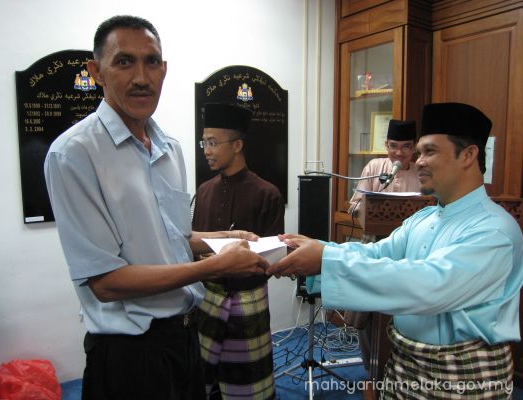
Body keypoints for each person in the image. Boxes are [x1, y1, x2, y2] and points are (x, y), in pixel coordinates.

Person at [44, 16, 268, 400]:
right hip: (131, 354)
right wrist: (216, 266)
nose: (141, 78)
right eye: (124, 61)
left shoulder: (170, 148)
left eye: (151, 62)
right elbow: (106, 283)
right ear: (96, 72)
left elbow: (173, 239)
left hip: (185, 337)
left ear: (164, 69)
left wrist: (225, 238)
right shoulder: (74, 154)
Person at [268, 102, 523, 398]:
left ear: (468, 155)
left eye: (429, 151)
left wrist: (324, 259)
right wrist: (319, 250)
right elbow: (378, 254)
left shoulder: (495, 231)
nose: (419, 161)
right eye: (420, 152)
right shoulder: (423, 218)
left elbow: (427, 284)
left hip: (463, 377)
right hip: (405, 364)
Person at [192, 102, 285, 400]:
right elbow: (194, 246)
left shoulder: (267, 194)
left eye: (213, 142)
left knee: (249, 386)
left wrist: (234, 264)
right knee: (204, 382)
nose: (206, 150)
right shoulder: (204, 191)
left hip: (247, 303)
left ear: (237, 145)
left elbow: (271, 259)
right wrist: (211, 262)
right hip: (207, 299)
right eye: (204, 142)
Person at [348, 119, 420, 222]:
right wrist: (360, 208)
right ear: (387, 145)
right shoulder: (374, 166)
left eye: (406, 146)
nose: (399, 153)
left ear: (414, 147)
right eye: (393, 146)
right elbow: (356, 203)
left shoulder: (420, 172)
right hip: (374, 229)